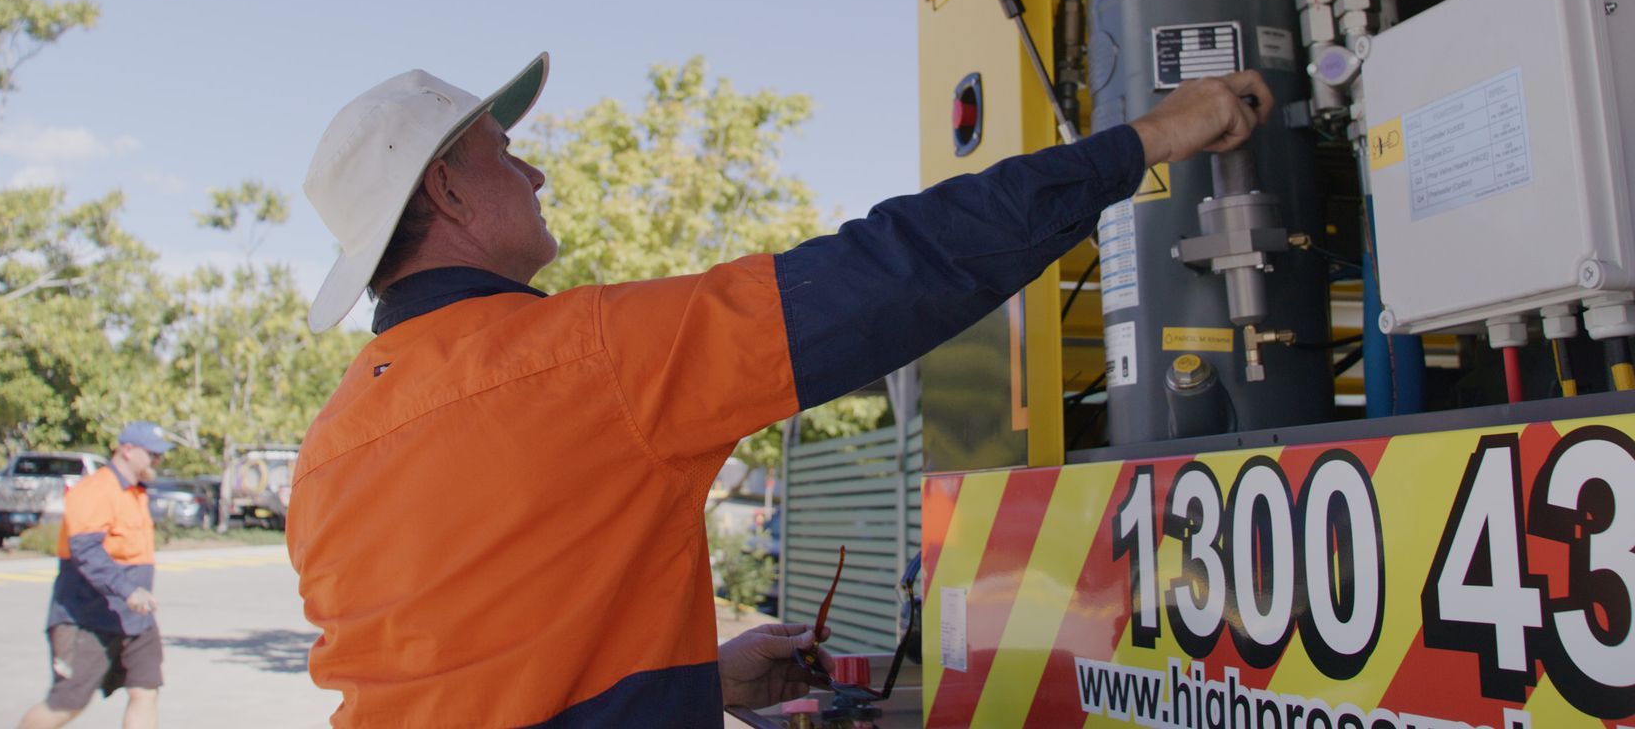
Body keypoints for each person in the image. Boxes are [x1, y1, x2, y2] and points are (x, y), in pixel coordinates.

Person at [288, 54, 1272, 727]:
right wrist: (1156, 135)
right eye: (506, 156)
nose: (537, 173)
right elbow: (900, 270)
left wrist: (705, 681)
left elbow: (483, 667)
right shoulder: (582, 358)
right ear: (452, 194)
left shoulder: (329, 447)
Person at [18, 420, 173, 729]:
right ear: (127, 450)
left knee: (145, 691)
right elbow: (86, 552)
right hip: (88, 618)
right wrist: (128, 591)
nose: (158, 461)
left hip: (135, 619)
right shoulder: (95, 489)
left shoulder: (134, 493)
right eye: (152, 454)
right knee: (66, 703)